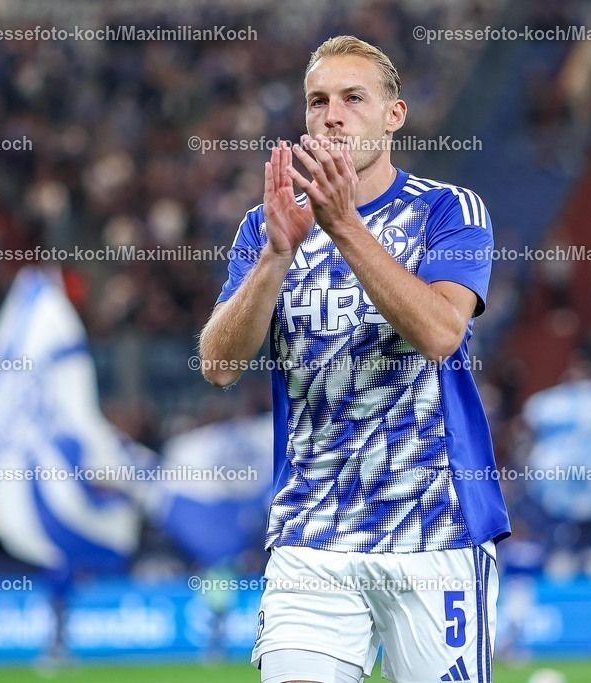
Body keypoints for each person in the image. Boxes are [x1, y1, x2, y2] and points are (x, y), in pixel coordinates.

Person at [199, 35, 510, 683]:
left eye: (352, 98)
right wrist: (276, 258)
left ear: (393, 115)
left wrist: (344, 226)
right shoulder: (267, 226)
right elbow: (220, 363)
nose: (332, 115)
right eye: (318, 102)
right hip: (312, 537)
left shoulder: (447, 211)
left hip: (436, 530)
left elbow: (440, 332)